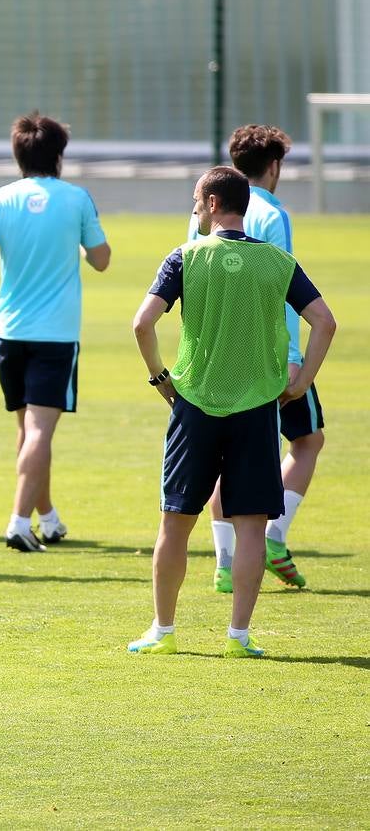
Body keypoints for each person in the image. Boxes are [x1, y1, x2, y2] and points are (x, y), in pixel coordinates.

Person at [129, 167, 335, 657]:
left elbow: (142, 324)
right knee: (249, 525)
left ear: (215, 201)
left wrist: (161, 379)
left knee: (175, 521)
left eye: (197, 201)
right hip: (258, 409)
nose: (194, 209)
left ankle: (163, 630)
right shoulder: (278, 262)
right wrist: (302, 380)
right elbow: (325, 321)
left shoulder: (185, 258)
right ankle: (239, 637)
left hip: (194, 405)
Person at [0, 112, 111, 551]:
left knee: (27, 430)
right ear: (58, 155)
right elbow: (101, 259)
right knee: (39, 432)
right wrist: (77, 235)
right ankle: (19, 523)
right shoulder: (77, 199)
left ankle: (48, 517)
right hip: (55, 334)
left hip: (9, 332)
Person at [188, 126, 323, 592]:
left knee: (222, 452)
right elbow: (285, 287)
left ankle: (225, 560)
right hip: (266, 356)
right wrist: (293, 360)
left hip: (212, 357)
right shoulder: (273, 214)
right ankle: (273, 537)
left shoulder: (202, 210)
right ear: (275, 166)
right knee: (307, 441)